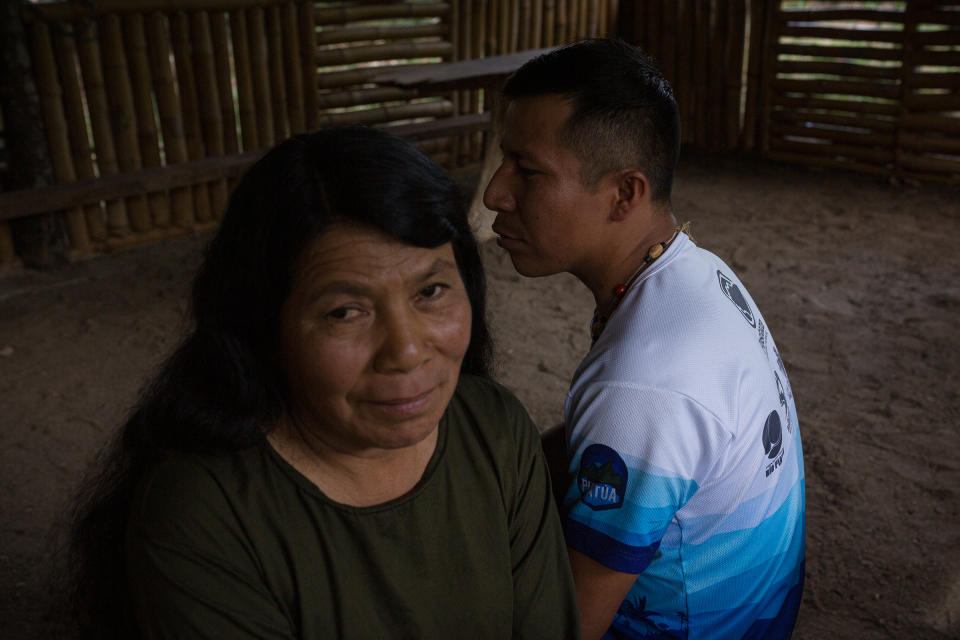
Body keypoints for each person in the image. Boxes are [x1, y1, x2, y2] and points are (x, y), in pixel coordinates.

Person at [61, 126, 580, 639]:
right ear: (265, 328)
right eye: (344, 311)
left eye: (431, 291)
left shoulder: (494, 428)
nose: (405, 351)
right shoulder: (205, 517)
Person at [483, 39, 805, 639]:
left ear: (625, 194)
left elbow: (568, 624)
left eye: (526, 171)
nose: (495, 194)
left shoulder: (644, 380)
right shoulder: (696, 268)